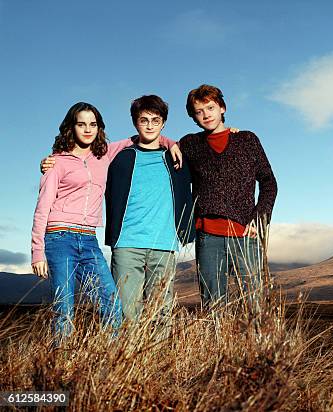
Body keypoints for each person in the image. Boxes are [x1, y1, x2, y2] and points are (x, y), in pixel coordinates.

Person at [32, 102, 180, 341]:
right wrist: (37, 251)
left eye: (93, 124)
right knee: (64, 307)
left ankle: (113, 361)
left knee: (112, 304)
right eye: (81, 124)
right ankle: (61, 366)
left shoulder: (104, 154)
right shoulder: (57, 162)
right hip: (59, 238)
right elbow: (42, 208)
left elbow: (142, 136)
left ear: (99, 127)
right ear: (72, 127)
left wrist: (171, 143)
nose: (88, 129)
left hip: (89, 240)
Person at [178, 84, 277, 305]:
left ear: (222, 107)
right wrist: (169, 143)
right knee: (213, 305)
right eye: (199, 111)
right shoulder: (190, 144)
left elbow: (269, 183)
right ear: (193, 117)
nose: (206, 115)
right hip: (207, 237)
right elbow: (161, 151)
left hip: (245, 234)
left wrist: (260, 219)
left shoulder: (247, 140)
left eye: (210, 108)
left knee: (255, 305)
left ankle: (256, 342)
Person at [105, 95, 194, 338]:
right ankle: (128, 365)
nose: (150, 125)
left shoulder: (176, 159)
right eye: (144, 120)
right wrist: (53, 162)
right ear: (135, 122)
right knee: (126, 310)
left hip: (164, 244)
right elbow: (86, 157)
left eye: (156, 120)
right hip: (126, 243)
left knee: (160, 310)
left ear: (163, 123)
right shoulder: (121, 157)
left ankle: (156, 364)